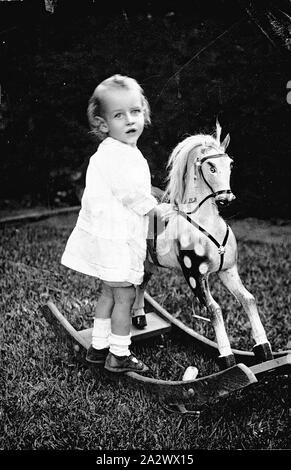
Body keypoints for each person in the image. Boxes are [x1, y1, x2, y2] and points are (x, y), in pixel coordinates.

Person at [61, 74, 164, 373]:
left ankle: (98, 346)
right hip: (115, 238)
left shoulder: (120, 150)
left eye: (135, 111)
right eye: (119, 115)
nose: (130, 120)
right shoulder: (115, 155)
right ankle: (119, 353)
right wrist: (155, 210)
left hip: (110, 236)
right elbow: (129, 193)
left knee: (108, 292)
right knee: (125, 295)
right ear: (103, 124)